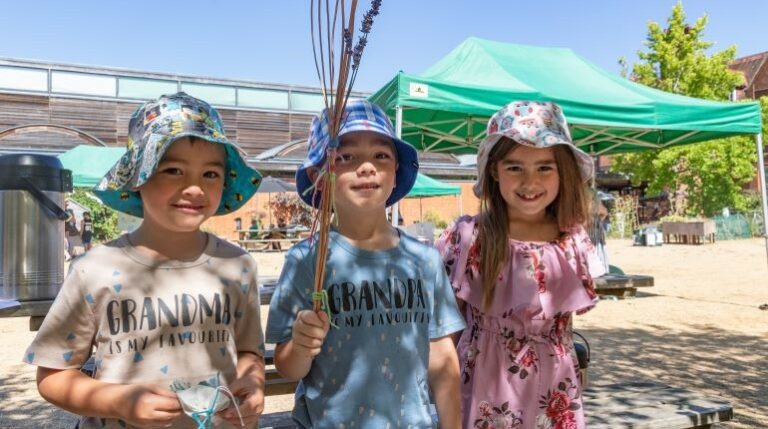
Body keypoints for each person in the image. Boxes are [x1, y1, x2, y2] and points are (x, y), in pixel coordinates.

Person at [24, 93, 266, 429]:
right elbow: (53, 376)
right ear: (137, 177)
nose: (194, 188)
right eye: (173, 170)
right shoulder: (93, 270)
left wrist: (252, 382)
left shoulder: (238, 265)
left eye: (211, 174)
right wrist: (119, 402)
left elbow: (250, 352)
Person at [265, 100, 465, 428]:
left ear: (396, 170)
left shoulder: (424, 260)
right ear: (318, 176)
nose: (367, 167)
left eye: (381, 155)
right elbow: (288, 367)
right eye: (346, 157)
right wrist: (301, 344)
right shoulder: (306, 260)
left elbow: (443, 359)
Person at [435, 101, 603, 429]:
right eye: (514, 167)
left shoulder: (571, 241)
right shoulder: (470, 237)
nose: (530, 182)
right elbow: (445, 332)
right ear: (494, 171)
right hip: (484, 393)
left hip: (554, 394)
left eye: (544, 168)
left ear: (563, 171)